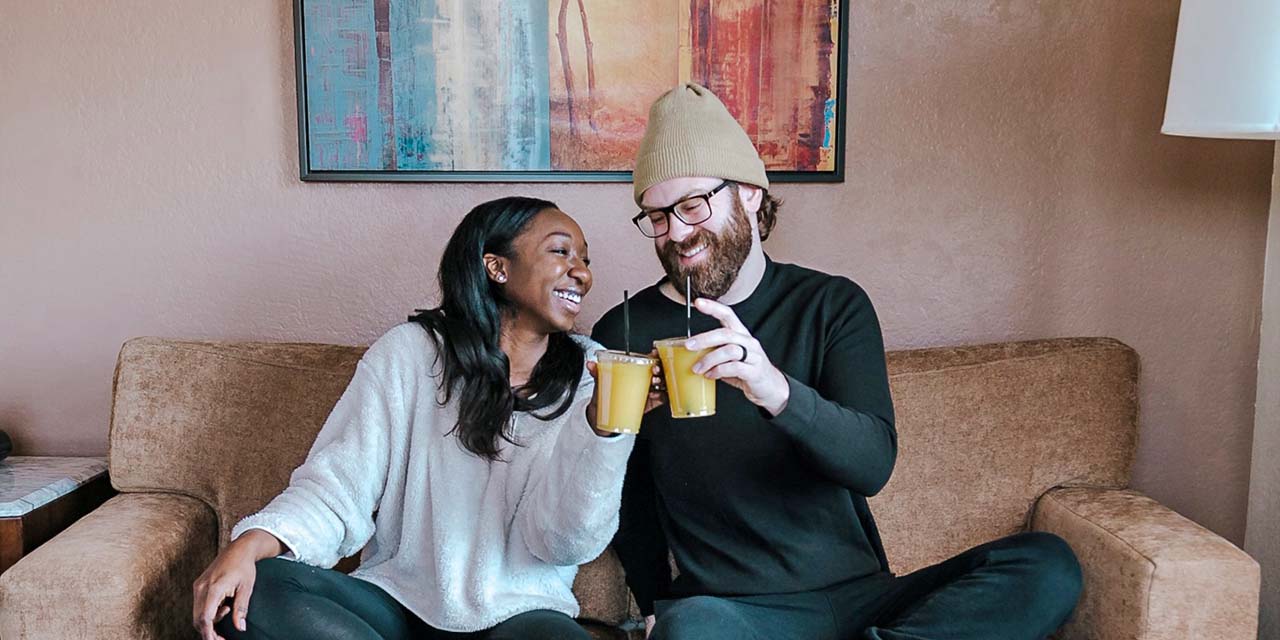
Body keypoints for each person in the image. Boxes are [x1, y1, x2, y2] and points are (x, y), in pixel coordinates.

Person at [591, 83, 1083, 640]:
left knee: (1046, 564)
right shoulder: (627, 331)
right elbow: (625, 495)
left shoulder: (831, 306)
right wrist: (657, 601)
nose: (676, 233)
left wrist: (775, 390)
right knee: (692, 631)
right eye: (656, 216)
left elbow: (872, 465)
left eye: (691, 205)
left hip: (865, 599)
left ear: (750, 193)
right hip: (737, 613)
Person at [193, 196, 639, 640]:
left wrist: (602, 428)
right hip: (396, 606)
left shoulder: (595, 374)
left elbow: (565, 543)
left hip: (522, 617)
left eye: (585, 259)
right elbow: (336, 488)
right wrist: (250, 545)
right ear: (497, 267)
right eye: (561, 251)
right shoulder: (409, 354)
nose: (582, 272)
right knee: (257, 590)